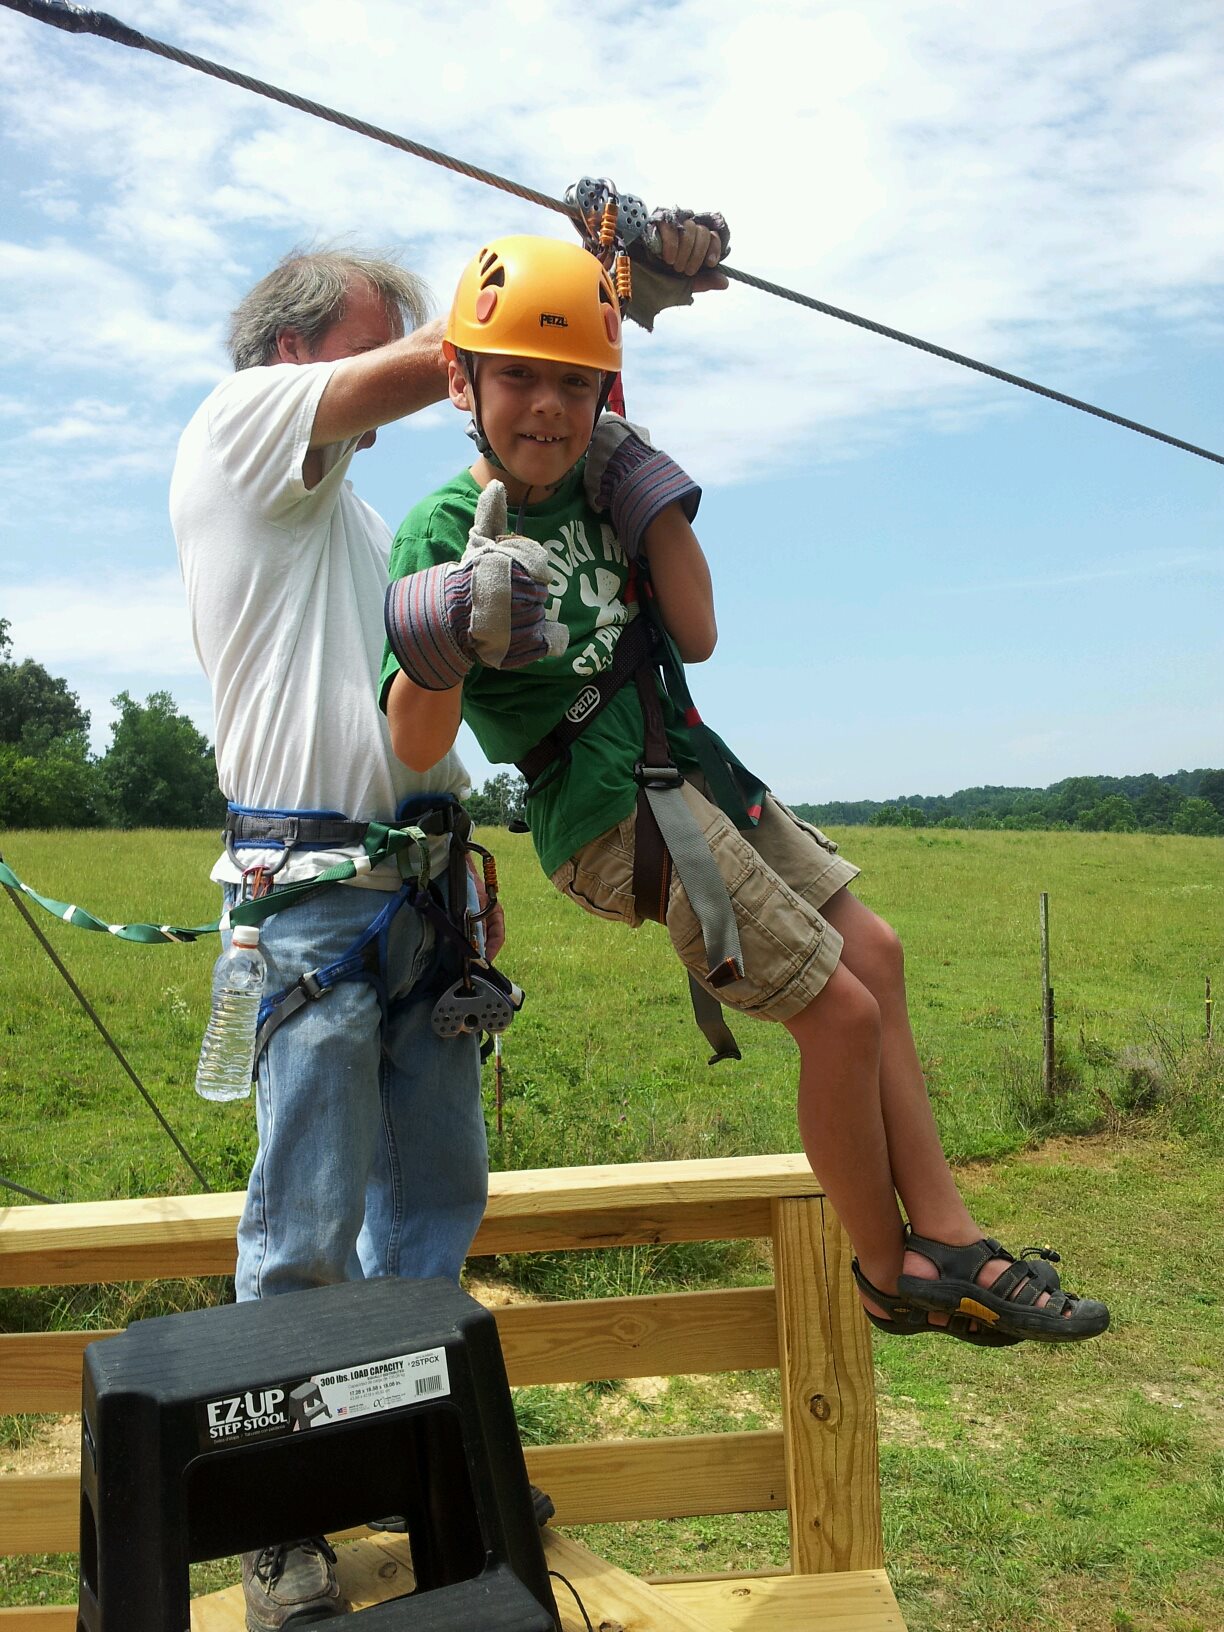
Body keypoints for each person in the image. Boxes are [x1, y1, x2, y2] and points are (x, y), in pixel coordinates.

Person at [379, 234, 1111, 1368]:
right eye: (519, 376)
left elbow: (700, 636)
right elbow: (415, 738)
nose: (548, 409)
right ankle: (890, 1271)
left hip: (688, 763)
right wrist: (449, 634)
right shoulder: (438, 530)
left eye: (576, 385)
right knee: (841, 1015)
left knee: (881, 957)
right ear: (459, 382)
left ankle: (953, 1233)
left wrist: (643, 485)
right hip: (609, 813)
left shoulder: (596, 483)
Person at [171, 224, 729, 1631]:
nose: (423, 366)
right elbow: (463, 366)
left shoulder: (365, 521)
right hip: (308, 905)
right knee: (300, 1223)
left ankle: (418, 1466)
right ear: (298, 350)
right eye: (386, 338)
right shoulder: (239, 432)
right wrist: (588, 306)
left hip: (415, 895)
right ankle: (278, 1515)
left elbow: (510, 445)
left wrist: (596, 337)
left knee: (427, 1211)